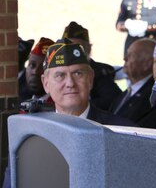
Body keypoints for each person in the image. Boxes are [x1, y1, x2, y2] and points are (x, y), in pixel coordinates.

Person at [2, 38, 135, 188]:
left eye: (78, 73)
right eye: (60, 75)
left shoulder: (123, 133)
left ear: (90, 79)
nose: (70, 83)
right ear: (46, 84)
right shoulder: (28, 135)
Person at [62, 21, 122, 111]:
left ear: (89, 49)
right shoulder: (55, 71)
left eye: (78, 49)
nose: (73, 54)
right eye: (68, 49)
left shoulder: (101, 72)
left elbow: (111, 99)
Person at [110, 38, 156, 123]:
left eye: (131, 55)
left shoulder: (153, 96)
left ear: (147, 64)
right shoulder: (127, 93)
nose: (125, 58)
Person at [18, 37, 54, 103]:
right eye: (32, 65)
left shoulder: (60, 107)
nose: (35, 72)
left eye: (43, 67)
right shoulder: (23, 105)